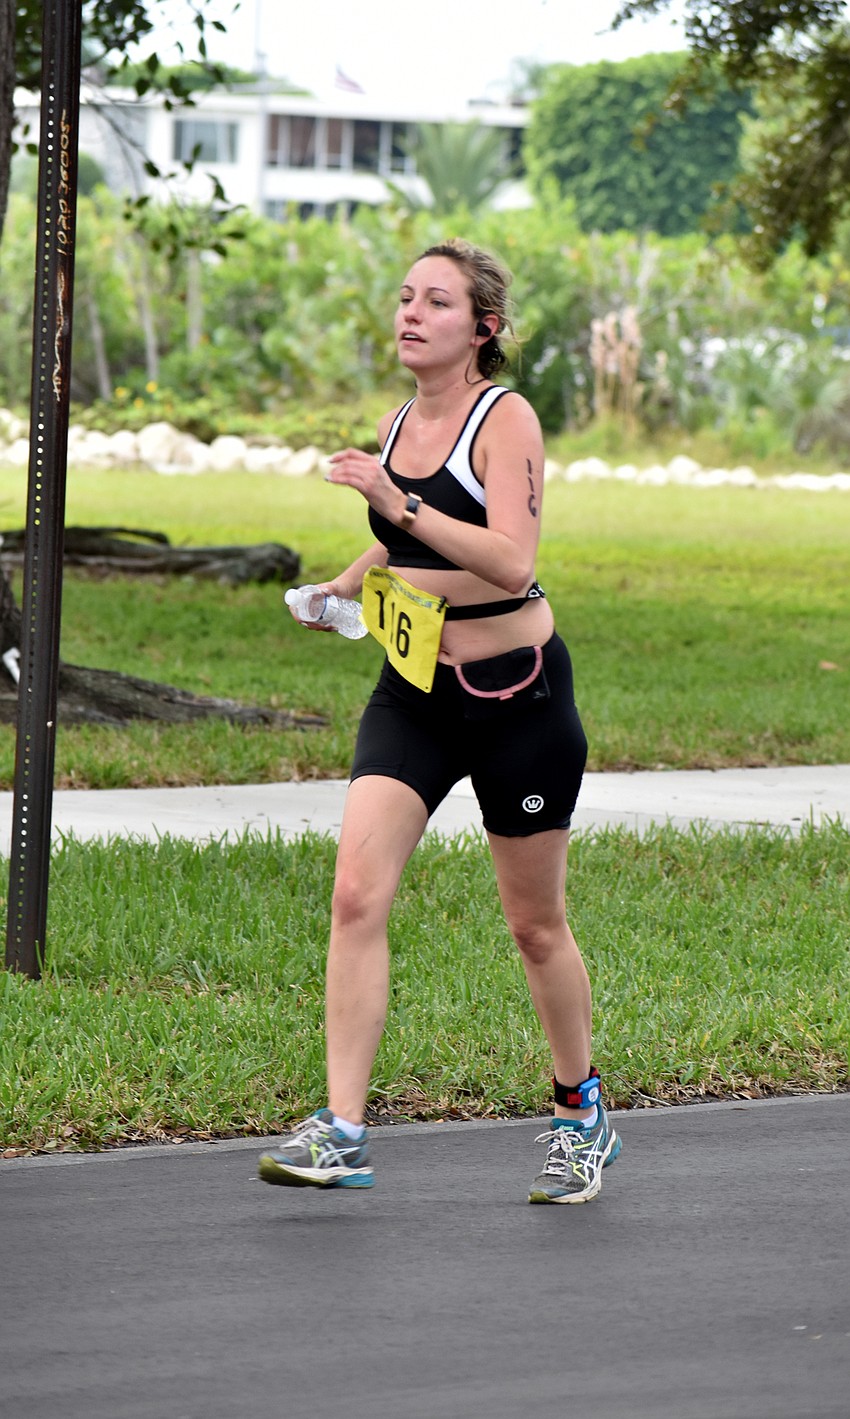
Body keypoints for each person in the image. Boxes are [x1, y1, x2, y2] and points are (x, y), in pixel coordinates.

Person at [258, 237, 621, 1204]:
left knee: (535, 925)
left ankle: (578, 1110)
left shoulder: (507, 420)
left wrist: (397, 504)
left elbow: (508, 560)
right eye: (404, 296)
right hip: (415, 691)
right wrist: (343, 585)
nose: (410, 313)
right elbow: (405, 551)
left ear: (483, 328)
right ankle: (341, 1131)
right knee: (354, 895)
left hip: (518, 700)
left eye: (437, 302)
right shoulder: (395, 424)